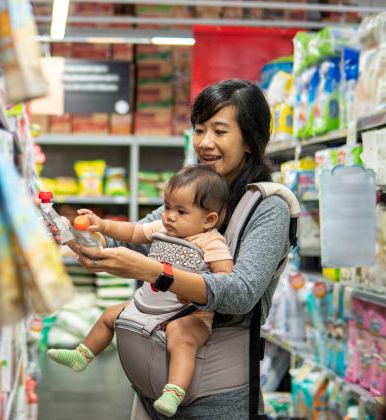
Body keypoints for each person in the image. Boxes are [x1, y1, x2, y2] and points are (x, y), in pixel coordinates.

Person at [51, 79, 291, 419]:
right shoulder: (191, 192)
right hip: (152, 388)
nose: (205, 143)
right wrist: (87, 238)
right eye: (199, 129)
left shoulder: (267, 207)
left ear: (250, 140)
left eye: (220, 132)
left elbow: (241, 293)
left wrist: (153, 272)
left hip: (215, 398)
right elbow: (132, 238)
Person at [46, 165, 232, 417]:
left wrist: (196, 289)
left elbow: (224, 281)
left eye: (180, 211)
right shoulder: (162, 229)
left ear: (209, 220)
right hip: (150, 305)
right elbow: (132, 231)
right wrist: (101, 225)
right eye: (166, 207)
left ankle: (174, 391)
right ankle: (83, 355)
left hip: (188, 313)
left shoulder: (211, 242)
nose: (169, 216)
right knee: (110, 314)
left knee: (182, 337)